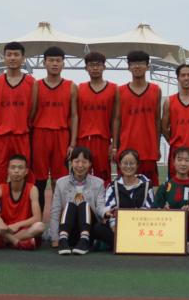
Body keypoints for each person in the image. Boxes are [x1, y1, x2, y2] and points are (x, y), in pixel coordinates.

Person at [32, 46, 77, 211]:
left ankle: (59, 220)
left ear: (63, 63)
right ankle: (37, 220)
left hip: (61, 135)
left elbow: (74, 115)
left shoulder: (71, 86)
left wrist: (72, 143)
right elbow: (31, 113)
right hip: (40, 134)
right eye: (51, 60)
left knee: (60, 181)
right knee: (39, 181)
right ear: (44, 63)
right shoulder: (36, 85)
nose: (54, 64)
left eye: (58, 60)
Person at [0, 41, 35, 186]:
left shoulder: (32, 83)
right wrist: (2, 125)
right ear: (4, 58)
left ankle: (22, 201)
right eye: (9, 55)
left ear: (23, 58)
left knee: (23, 176)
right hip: (1, 137)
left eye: (16, 55)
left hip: (22, 136)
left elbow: (32, 111)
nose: (12, 58)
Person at [47, 146, 106, 255]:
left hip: (90, 231)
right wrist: (55, 238)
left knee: (83, 205)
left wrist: (105, 213)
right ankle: (63, 240)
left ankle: (84, 240)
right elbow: (55, 211)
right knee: (70, 205)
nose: (80, 165)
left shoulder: (99, 183)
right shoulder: (61, 183)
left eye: (84, 162)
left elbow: (100, 206)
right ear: (71, 162)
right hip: (69, 231)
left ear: (90, 164)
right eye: (76, 161)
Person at [0, 154, 45, 250]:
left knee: (40, 226)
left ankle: (3, 242)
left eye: (20, 168)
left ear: (26, 171)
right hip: (4, 228)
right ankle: (17, 242)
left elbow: (37, 217)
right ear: (8, 170)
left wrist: (17, 225)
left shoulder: (32, 189)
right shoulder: (1, 188)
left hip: (23, 229)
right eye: (13, 167)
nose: (16, 171)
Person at [94, 148, 154, 250]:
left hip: (140, 228)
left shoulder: (147, 184)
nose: (128, 166)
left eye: (132, 163)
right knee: (98, 228)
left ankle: (124, 245)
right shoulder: (113, 186)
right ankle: (127, 244)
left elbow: (149, 208)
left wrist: (135, 224)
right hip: (119, 229)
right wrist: (113, 225)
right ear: (120, 165)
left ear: (137, 165)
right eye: (125, 163)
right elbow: (110, 209)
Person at [116, 51, 161, 185]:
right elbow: (117, 120)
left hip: (149, 149)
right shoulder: (120, 91)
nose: (137, 66)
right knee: (125, 188)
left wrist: (157, 146)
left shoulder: (156, 90)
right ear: (128, 67)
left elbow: (157, 120)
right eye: (133, 63)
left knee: (149, 188)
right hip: (126, 149)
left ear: (147, 66)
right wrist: (115, 147)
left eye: (141, 63)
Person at [76, 52, 118, 185]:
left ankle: (104, 199)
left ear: (104, 67)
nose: (95, 68)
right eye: (91, 65)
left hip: (103, 140)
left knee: (103, 179)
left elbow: (116, 118)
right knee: (81, 176)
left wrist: (114, 144)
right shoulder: (79, 88)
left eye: (98, 65)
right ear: (86, 68)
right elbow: (75, 117)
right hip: (83, 139)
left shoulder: (113, 89)